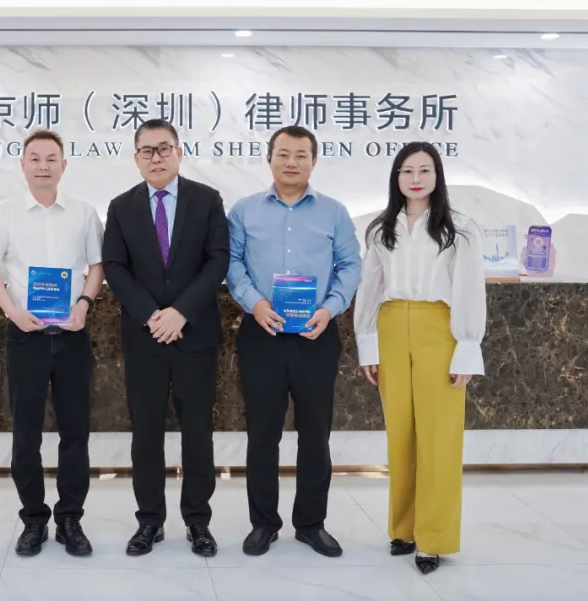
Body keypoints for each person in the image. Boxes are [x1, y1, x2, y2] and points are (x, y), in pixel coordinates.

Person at [227, 125, 361, 558]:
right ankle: (263, 523)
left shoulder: (334, 212)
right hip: (262, 332)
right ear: (269, 158)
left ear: (314, 161)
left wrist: (331, 308)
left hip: (314, 334)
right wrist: (254, 303)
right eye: (283, 153)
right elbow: (232, 264)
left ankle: (311, 524)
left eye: (301, 155)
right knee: (262, 434)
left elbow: (350, 266)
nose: (291, 162)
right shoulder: (244, 211)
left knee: (315, 435)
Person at [0, 129, 104, 558]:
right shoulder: (4, 213)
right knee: (25, 435)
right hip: (25, 336)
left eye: (51, 159)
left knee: (75, 433)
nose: (43, 166)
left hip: (72, 336)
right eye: (35, 158)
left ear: (64, 165)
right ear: (23, 164)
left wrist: (84, 303)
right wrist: (12, 311)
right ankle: (33, 519)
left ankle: (70, 519)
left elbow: (97, 266)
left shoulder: (84, 213)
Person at [353, 141, 485, 575]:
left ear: (437, 176)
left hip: (438, 327)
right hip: (392, 325)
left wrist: (467, 347)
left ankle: (433, 538)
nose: (415, 178)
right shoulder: (380, 228)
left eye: (425, 170)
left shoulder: (459, 228)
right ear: (396, 177)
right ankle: (404, 529)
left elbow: (469, 288)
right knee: (401, 435)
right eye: (407, 170)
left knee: (439, 437)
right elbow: (370, 288)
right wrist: (368, 344)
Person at [103, 119, 229, 558]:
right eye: (147, 151)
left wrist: (180, 312)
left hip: (195, 335)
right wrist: (152, 315)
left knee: (198, 432)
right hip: (145, 338)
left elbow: (217, 261)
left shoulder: (207, 200)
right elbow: (115, 267)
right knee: (146, 433)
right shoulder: (121, 206)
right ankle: (149, 521)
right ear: (136, 158)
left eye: (163, 148)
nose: (156, 158)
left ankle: (198, 522)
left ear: (179, 152)